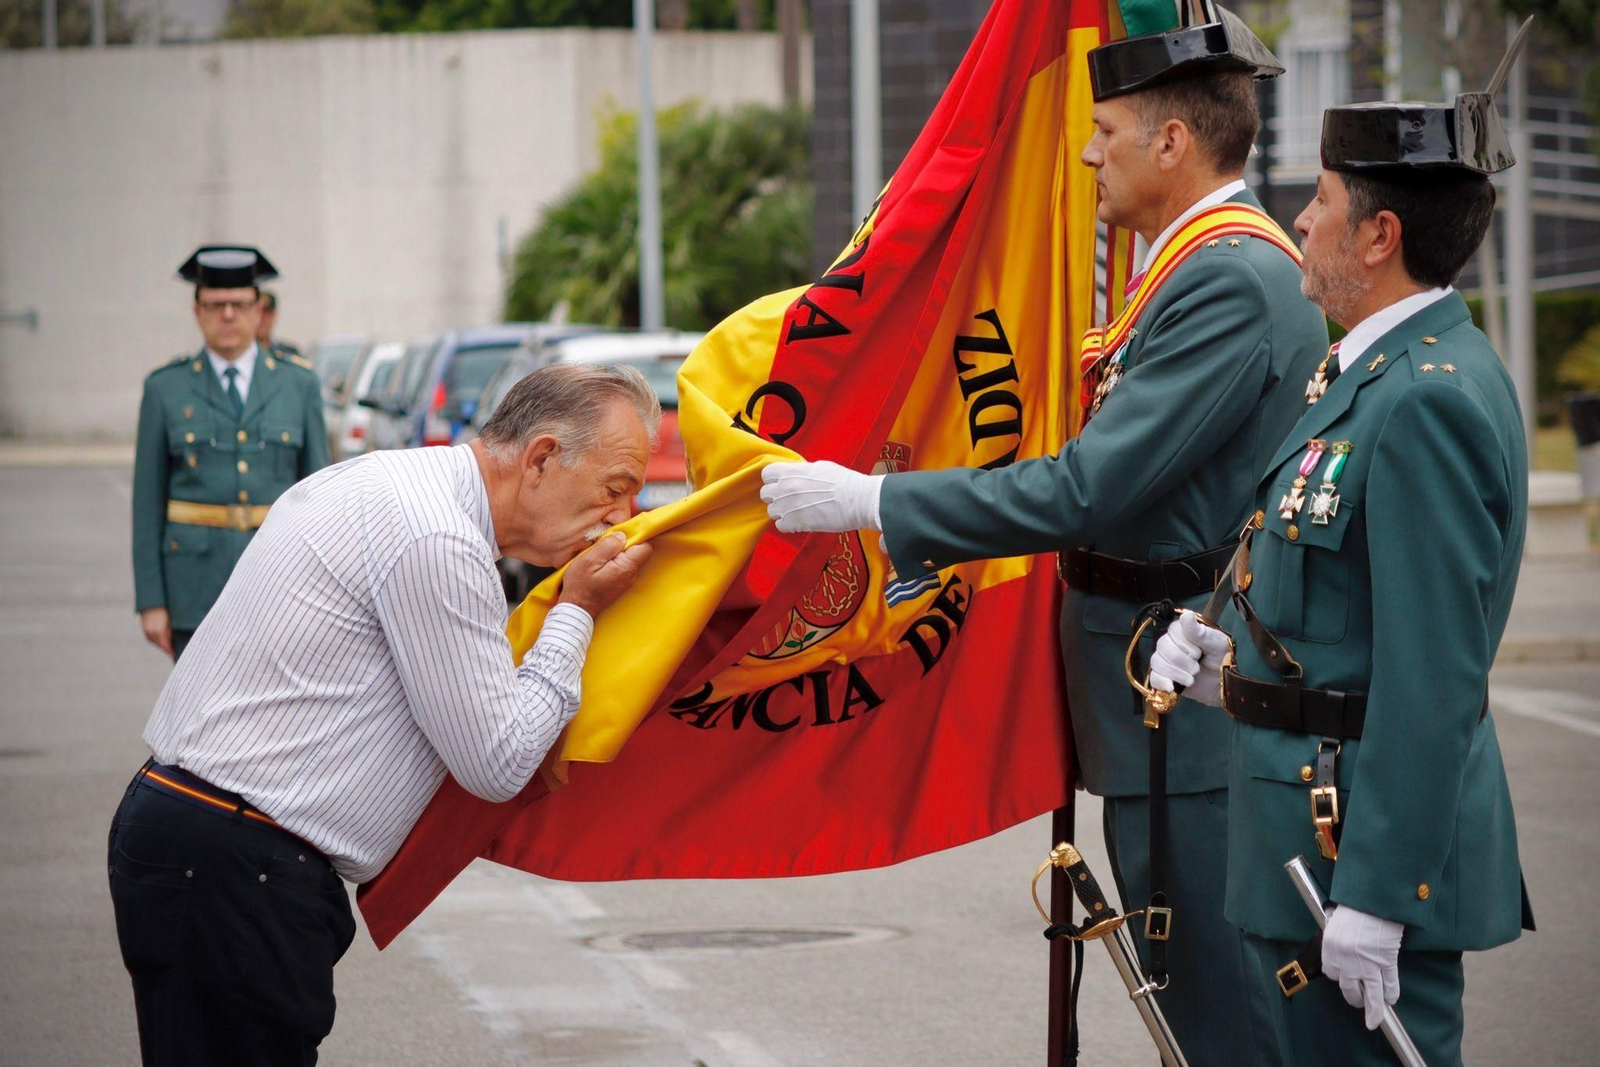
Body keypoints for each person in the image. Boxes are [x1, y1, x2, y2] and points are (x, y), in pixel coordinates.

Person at [759, 6, 1325, 1060]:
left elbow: (1091, 489)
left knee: (1223, 1016)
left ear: (1171, 140)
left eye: (1105, 129)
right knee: (1196, 1000)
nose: (1084, 150)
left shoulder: (1228, 277)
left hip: (1191, 721)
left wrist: (874, 505)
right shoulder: (1191, 268)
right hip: (1155, 703)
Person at [1148, 64, 1536, 1065]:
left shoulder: (1426, 398)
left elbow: (1431, 674)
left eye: (1319, 198)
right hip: (1302, 833)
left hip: (1350, 852)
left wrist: (1377, 890)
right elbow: (1325, 589)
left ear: (1379, 235)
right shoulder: (1366, 368)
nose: (1300, 218)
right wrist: (1216, 649)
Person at [108, 361, 659, 1065]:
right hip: (235, 865)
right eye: (615, 490)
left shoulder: (383, 480)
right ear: (543, 457)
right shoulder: (440, 538)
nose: (623, 517)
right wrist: (577, 609)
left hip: (203, 837)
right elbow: (499, 758)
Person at [132, 246, 330, 660]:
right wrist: (152, 600)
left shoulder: (299, 385)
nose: (227, 315)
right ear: (197, 311)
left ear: (259, 310)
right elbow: (147, 504)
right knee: (198, 719)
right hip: (193, 591)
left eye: (238, 304)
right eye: (215, 305)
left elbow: (320, 504)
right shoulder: (164, 389)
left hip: (280, 586)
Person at [255, 289, 304, 362]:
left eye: (267, 313)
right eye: (257, 312)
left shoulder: (289, 353)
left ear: (274, 315)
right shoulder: (238, 354)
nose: (262, 319)